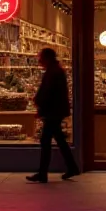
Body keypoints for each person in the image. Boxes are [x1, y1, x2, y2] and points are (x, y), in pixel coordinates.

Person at [26, 48, 79, 184]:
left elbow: (48, 93)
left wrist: (41, 107)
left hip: (52, 112)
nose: (39, 61)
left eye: (40, 57)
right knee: (59, 140)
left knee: (46, 142)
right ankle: (71, 167)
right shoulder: (56, 71)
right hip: (55, 111)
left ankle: (43, 174)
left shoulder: (53, 72)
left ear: (46, 58)